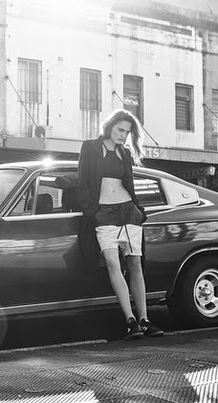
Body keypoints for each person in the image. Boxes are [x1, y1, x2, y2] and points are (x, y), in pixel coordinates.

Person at [77, 108, 163, 340]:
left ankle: (144, 320)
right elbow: (82, 182)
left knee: (135, 265)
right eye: (120, 129)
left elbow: (130, 185)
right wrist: (93, 212)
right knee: (113, 264)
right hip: (104, 214)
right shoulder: (90, 147)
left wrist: (138, 211)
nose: (123, 135)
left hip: (128, 212)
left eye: (127, 132)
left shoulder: (124, 153)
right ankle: (130, 322)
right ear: (110, 126)